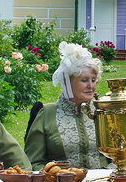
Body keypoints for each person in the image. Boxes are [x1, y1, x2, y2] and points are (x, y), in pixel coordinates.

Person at [24, 41, 107, 169]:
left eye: (93, 80)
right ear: (67, 82)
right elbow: (33, 162)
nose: (91, 86)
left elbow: (118, 156)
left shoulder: (103, 111)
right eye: (84, 80)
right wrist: (55, 176)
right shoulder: (46, 114)